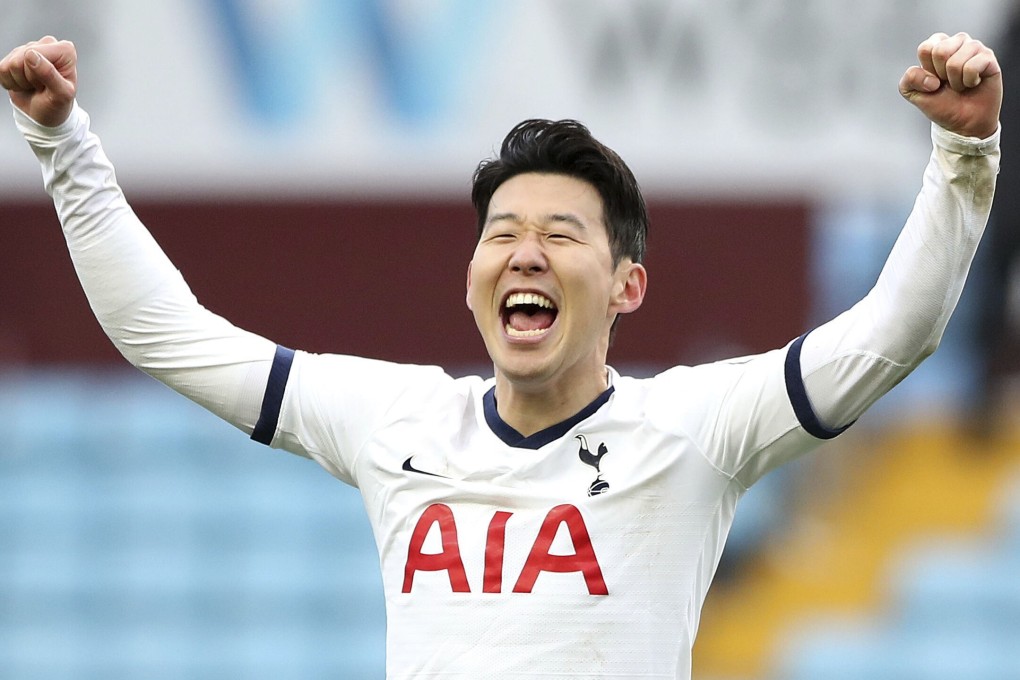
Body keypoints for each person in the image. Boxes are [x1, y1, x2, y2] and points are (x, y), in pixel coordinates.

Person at [0, 31, 1002, 680]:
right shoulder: (394, 419)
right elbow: (166, 333)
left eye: (563, 233)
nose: (526, 250)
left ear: (627, 287)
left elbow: (892, 333)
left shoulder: (695, 427)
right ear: (473, 277)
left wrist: (964, 159)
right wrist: (64, 145)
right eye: (502, 232)